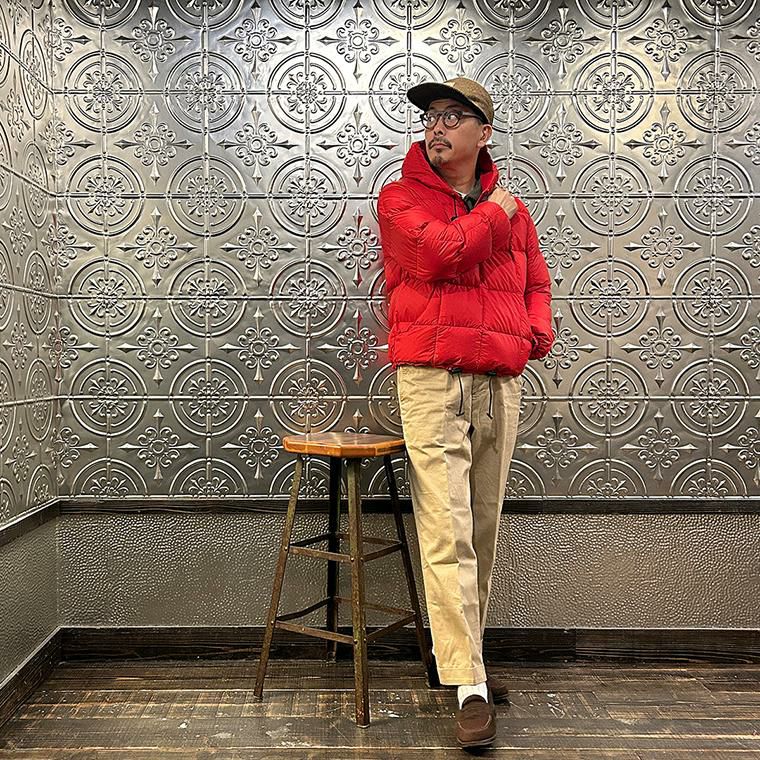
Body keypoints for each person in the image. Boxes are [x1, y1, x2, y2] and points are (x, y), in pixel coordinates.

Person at [376, 77, 554, 748]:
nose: (436, 126)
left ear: (485, 133)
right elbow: (439, 254)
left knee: (481, 526)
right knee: (446, 530)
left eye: (454, 116)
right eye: (431, 116)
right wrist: (495, 213)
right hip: (433, 379)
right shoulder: (399, 199)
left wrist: (534, 337)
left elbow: (536, 280)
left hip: (498, 382)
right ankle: (469, 684)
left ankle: (465, 661)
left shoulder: (513, 210)